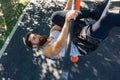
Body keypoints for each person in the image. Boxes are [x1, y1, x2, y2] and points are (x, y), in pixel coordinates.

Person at [23, 0, 120, 58]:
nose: (37, 36)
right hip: (83, 44)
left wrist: (70, 1)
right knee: (109, 19)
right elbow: (60, 45)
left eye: (35, 35)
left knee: (55, 17)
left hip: (79, 32)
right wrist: (67, 20)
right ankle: (97, 14)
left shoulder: (52, 32)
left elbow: (64, 12)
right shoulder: (46, 51)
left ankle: (94, 13)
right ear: (35, 46)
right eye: (34, 38)